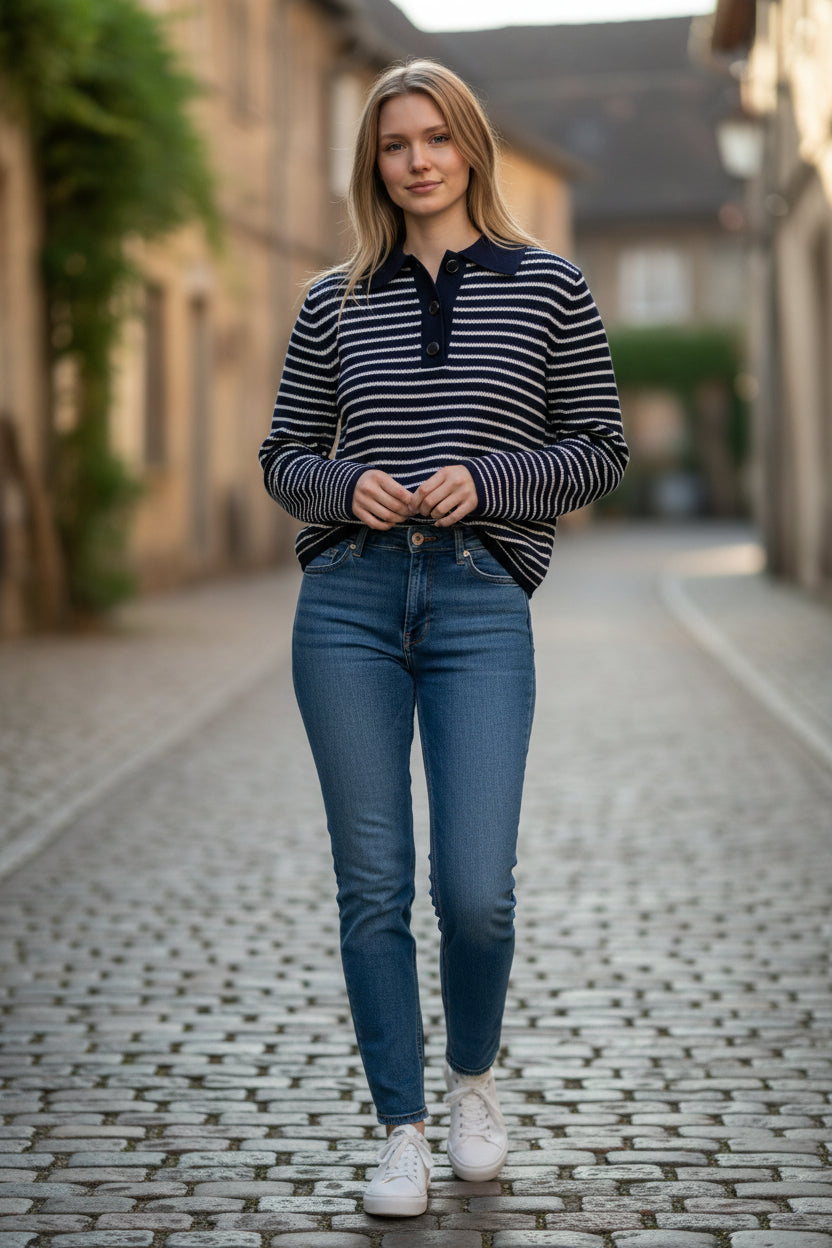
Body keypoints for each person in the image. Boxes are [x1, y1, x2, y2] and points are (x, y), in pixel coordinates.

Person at [259, 59, 628, 1218]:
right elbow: (282, 455)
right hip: (348, 605)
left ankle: (472, 1081)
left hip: (478, 602)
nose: (416, 161)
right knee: (372, 886)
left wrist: (491, 481)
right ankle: (402, 1130)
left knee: (475, 890)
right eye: (393, 144)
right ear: (371, 163)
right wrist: (344, 487)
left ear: (470, 146)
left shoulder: (549, 286)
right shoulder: (332, 300)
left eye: (434, 138)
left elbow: (599, 447)